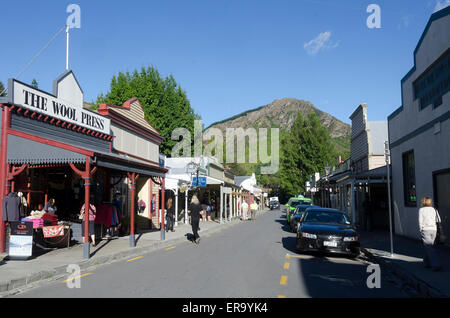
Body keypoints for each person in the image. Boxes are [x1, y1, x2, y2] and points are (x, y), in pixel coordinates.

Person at [418, 197, 442, 272]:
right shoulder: (434, 209)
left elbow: (420, 221)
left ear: (423, 202)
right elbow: (439, 220)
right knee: (430, 247)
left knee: (429, 247)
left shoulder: (421, 210)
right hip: (434, 230)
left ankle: (436, 265)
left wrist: (420, 229)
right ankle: (427, 262)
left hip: (425, 230)